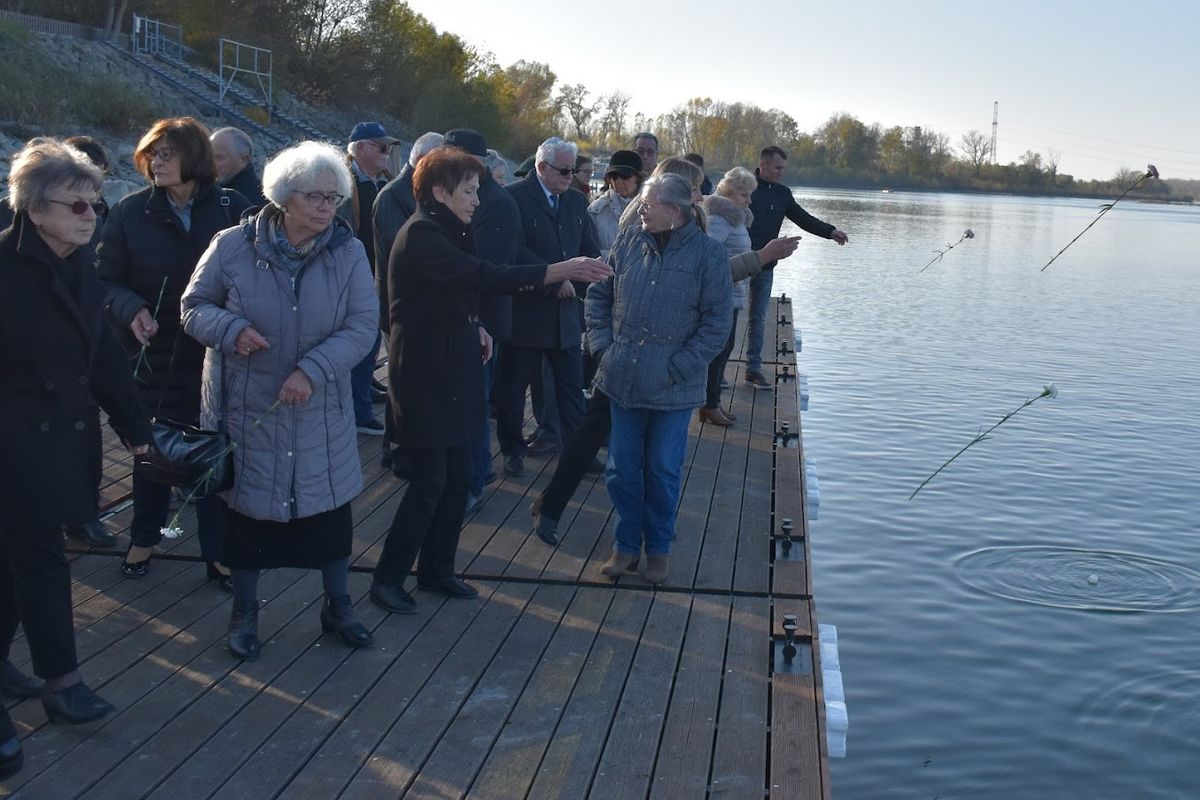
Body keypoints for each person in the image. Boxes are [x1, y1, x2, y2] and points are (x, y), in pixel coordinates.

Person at [370, 147, 612, 614]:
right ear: (439, 192)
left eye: (478, 190)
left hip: (456, 362)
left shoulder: (449, 228)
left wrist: (474, 324)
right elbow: (483, 274)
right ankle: (387, 578)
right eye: (468, 190)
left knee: (459, 476)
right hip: (424, 375)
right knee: (428, 482)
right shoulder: (421, 234)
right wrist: (559, 269)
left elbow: (457, 288)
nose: (477, 200)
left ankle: (437, 570)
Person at [181, 140, 378, 660]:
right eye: (315, 197)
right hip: (250, 409)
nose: (326, 208)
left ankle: (338, 606)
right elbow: (193, 307)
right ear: (284, 196)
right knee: (248, 518)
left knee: (329, 515)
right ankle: (244, 613)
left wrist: (312, 370)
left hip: (318, 407)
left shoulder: (348, 251)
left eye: (334, 198)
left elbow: (363, 327)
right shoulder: (231, 246)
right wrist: (232, 329)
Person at [530, 157, 793, 546]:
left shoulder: (684, 227)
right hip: (627, 352)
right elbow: (613, 282)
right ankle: (564, 511)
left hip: (654, 358)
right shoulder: (642, 226)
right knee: (602, 438)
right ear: (679, 195)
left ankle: (596, 522)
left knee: (616, 444)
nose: (703, 194)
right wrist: (605, 348)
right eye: (697, 187)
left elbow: (709, 276)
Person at [0, 140, 153, 743]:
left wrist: (137, 432)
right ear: (35, 210)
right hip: (10, 445)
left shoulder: (77, 270)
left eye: (97, 205)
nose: (93, 217)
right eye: (78, 206)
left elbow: (107, 358)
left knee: (13, 564)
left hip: (57, 441)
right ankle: (62, 683)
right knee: (40, 559)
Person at [98, 116, 250, 588]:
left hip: (218, 354)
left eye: (167, 154)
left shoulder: (232, 207)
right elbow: (104, 281)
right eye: (151, 154)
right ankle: (145, 537)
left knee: (215, 454)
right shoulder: (129, 211)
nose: (156, 162)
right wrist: (132, 309)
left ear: (194, 157)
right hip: (154, 352)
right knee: (152, 452)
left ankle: (218, 552)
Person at [586, 173, 731, 584]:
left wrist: (681, 367)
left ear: (677, 211)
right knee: (622, 469)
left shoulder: (709, 255)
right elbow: (599, 294)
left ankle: (660, 548)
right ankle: (626, 546)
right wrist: (602, 346)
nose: (641, 209)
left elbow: (717, 323)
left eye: (649, 204)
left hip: (674, 385)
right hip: (622, 376)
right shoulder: (629, 241)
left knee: (662, 468)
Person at [495, 137, 601, 476]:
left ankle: (578, 453)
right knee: (514, 389)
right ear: (541, 167)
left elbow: (587, 245)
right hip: (526, 313)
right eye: (565, 170)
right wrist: (554, 279)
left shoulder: (574, 201)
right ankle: (512, 450)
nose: (572, 175)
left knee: (571, 389)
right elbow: (513, 251)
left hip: (566, 316)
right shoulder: (512, 198)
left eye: (574, 169)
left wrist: (592, 274)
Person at [442, 129, 521, 515]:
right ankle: (474, 473)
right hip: (464, 319)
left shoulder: (496, 203)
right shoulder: (473, 196)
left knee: (473, 403)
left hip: (481, 321)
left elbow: (486, 268)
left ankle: (474, 480)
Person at [744, 145, 848, 389]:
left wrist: (830, 231)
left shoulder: (783, 194)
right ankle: (717, 375)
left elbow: (803, 218)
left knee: (757, 318)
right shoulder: (745, 187)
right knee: (727, 316)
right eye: (778, 167)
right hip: (739, 263)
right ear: (764, 165)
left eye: (784, 168)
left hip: (766, 266)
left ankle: (753, 368)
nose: (782, 172)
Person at [372, 131, 444, 471]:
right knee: (399, 379)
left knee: (414, 378)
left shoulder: (416, 192)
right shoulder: (392, 196)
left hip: (420, 304)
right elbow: (400, 246)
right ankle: (395, 448)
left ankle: (411, 443)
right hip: (396, 304)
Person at [60, 135, 118, 548]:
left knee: (86, 435)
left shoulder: (104, 214)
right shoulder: (16, 213)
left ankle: (83, 514)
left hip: (83, 344)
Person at [338, 121, 398, 436]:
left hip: (375, 273)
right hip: (353, 276)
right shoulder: (343, 186)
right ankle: (358, 411)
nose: (388, 154)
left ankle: (364, 391)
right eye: (382, 147)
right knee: (360, 341)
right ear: (360, 148)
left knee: (370, 342)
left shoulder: (379, 183)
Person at [700, 166, 761, 425]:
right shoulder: (720, 219)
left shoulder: (735, 217)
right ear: (730, 194)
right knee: (719, 350)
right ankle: (708, 405)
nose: (748, 201)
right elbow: (707, 253)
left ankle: (713, 402)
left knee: (725, 349)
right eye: (744, 195)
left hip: (734, 291)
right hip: (722, 293)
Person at [587, 149, 642, 258]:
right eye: (614, 176)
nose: (618, 181)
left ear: (638, 177)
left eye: (625, 176)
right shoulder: (595, 210)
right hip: (607, 272)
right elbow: (588, 251)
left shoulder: (653, 206)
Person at [211, 127, 267, 209]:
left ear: (243, 160)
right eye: (208, 156)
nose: (210, 163)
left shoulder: (259, 203)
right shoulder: (203, 190)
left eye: (218, 158)